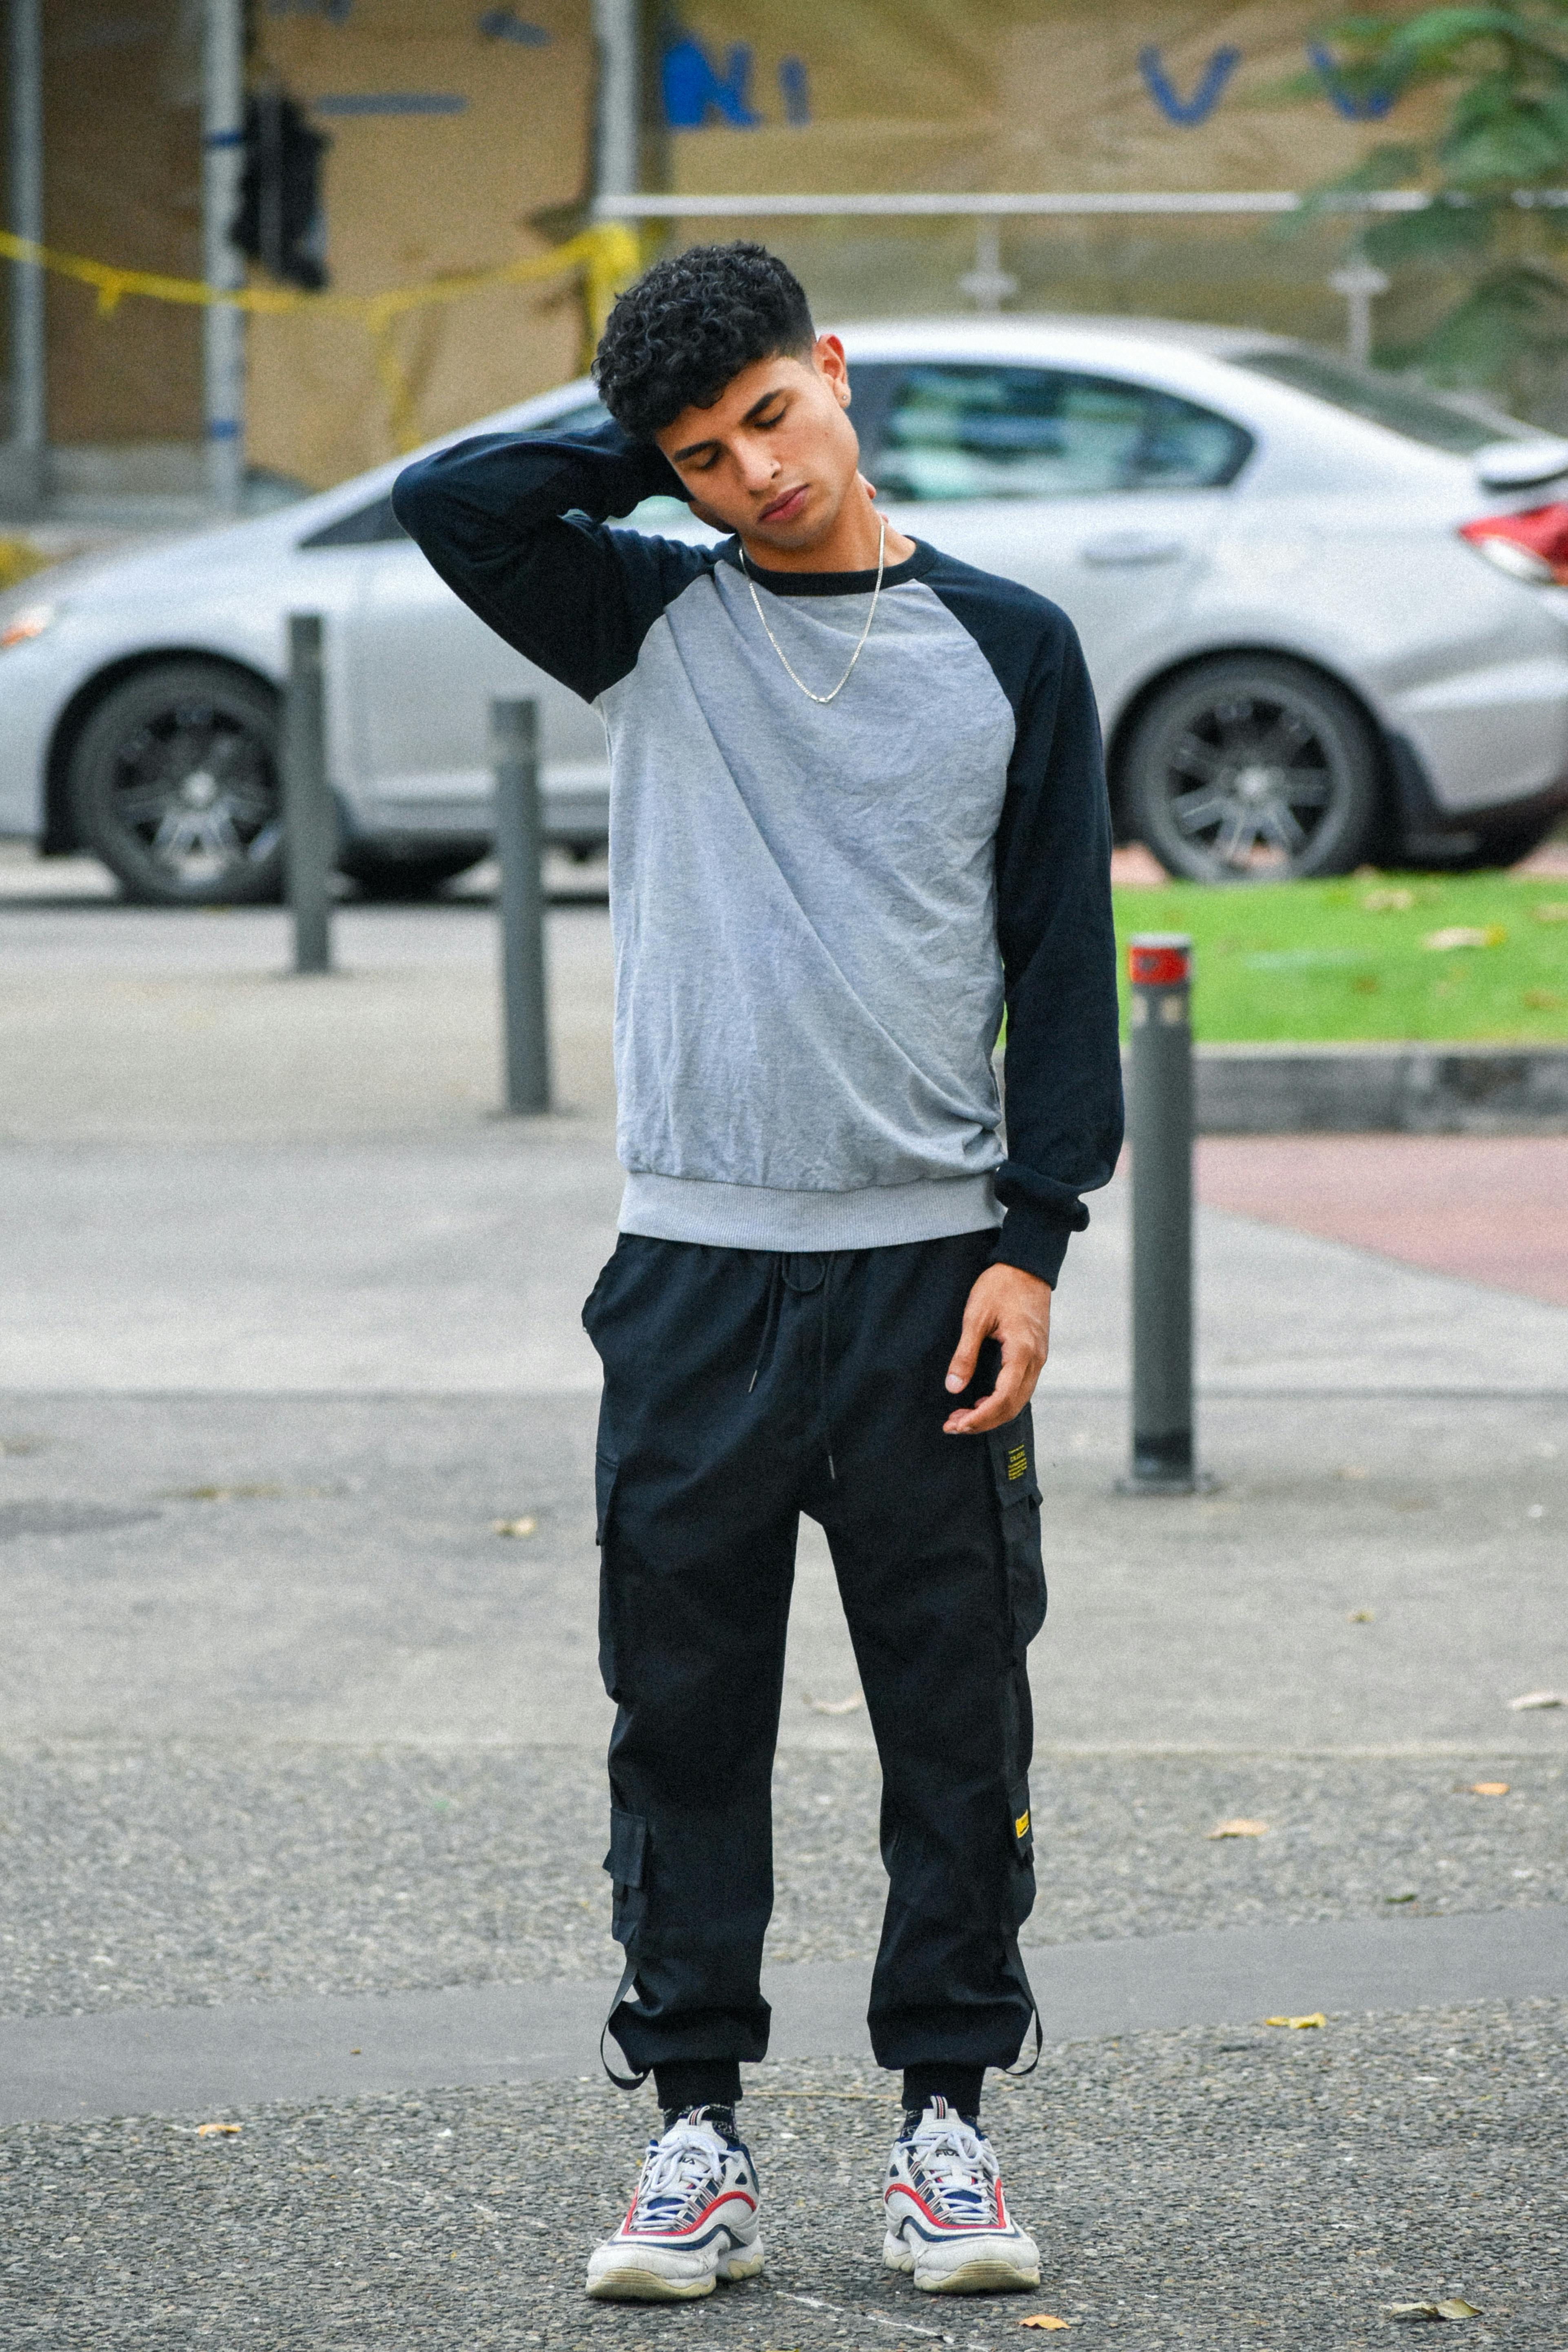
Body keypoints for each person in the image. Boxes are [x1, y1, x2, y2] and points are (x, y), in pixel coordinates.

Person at [393, 242, 1123, 2305]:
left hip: (927, 1282)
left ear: (837, 364)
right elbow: (451, 506)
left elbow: (1063, 971)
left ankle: (947, 2132)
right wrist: (630, 447)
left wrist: (1036, 1241)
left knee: (953, 1725)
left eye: (770, 420)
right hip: (696, 1274)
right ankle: (692, 2124)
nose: (749, 480)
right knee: (684, 1715)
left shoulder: (1009, 644)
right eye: (699, 456)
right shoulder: (648, 616)